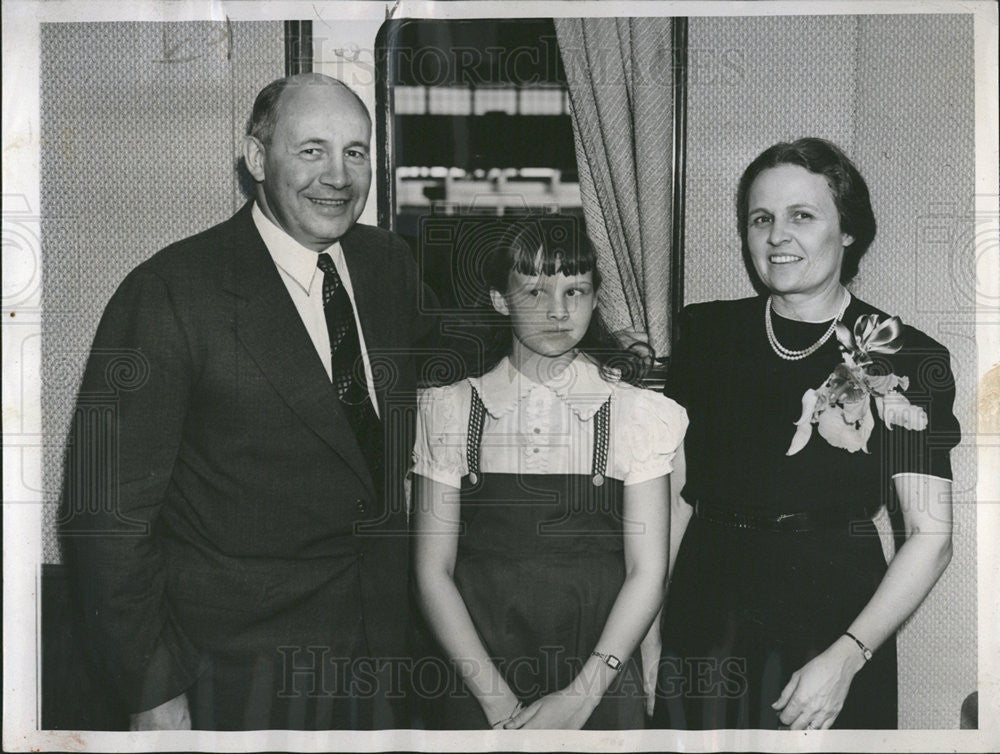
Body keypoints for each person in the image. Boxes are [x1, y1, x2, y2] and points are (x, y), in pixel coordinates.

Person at [59, 74, 432, 730]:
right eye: (311, 150)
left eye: (355, 152)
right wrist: (151, 692)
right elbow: (104, 515)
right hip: (234, 672)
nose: (338, 177)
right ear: (258, 160)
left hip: (381, 657)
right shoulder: (171, 293)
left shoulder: (389, 265)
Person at [652, 138, 960, 730]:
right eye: (761, 218)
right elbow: (673, 500)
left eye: (802, 216)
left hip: (832, 618)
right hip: (706, 611)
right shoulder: (708, 332)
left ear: (847, 231)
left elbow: (930, 536)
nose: (776, 237)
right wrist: (648, 630)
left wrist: (849, 657)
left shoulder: (907, 353)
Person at [412, 218, 688, 729]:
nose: (559, 311)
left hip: (597, 678)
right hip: (478, 675)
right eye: (535, 291)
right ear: (500, 299)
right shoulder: (450, 410)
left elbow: (647, 573)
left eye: (575, 290)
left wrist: (580, 699)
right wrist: (498, 706)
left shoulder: (637, 414)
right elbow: (432, 572)